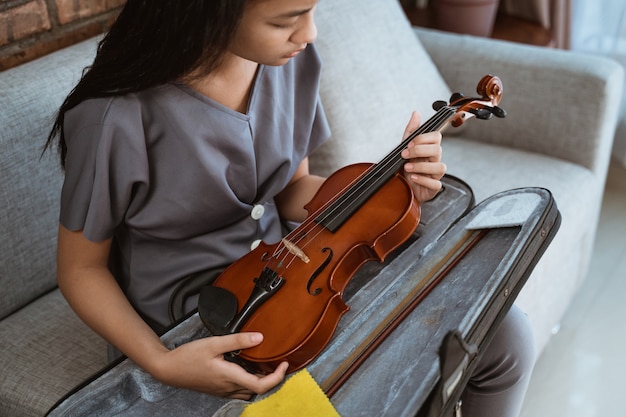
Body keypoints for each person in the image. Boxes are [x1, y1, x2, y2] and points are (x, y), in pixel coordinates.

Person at [46, 0, 535, 415]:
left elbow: (291, 189)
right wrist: (161, 362)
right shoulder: (113, 116)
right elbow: (82, 269)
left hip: (300, 277)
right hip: (198, 320)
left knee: (503, 332)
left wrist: (396, 190)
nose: (309, 32)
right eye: (286, 19)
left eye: (312, 10)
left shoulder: (291, 62)